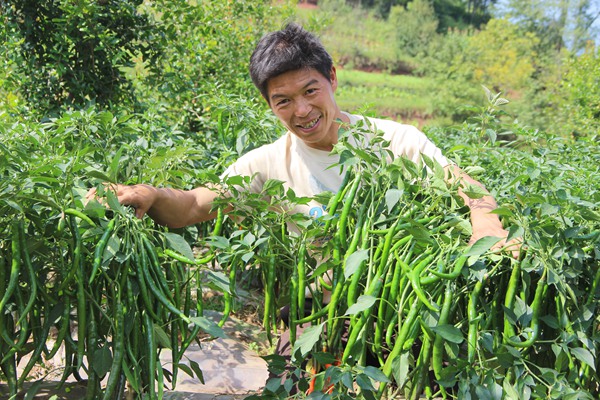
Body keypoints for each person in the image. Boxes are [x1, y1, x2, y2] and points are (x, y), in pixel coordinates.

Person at [87, 21, 519, 388]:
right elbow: (195, 205)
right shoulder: (267, 163)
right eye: (284, 101)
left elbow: (463, 185)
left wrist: (486, 221)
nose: (302, 110)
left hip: (401, 309)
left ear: (332, 77)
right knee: (295, 385)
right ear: (270, 105)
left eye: (310, 90)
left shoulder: (396, 142)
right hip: (318, 316)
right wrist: (150, 194)